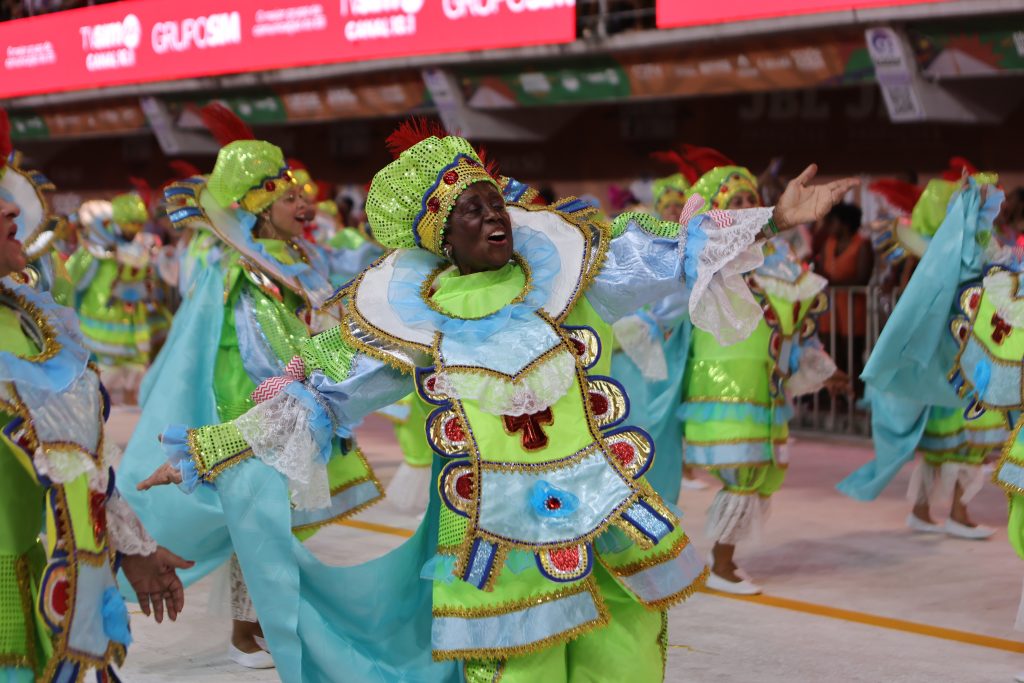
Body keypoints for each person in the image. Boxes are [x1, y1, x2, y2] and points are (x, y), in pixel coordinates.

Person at [137, 120, 857, 682]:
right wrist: (213, 449)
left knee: (628, 650)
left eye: (493, 201)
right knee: (521, 666)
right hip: (494, 543)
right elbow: (319, 396)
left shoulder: (558, 272)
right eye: (470, 211)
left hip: (600, 513)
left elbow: (669, 255)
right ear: (443, 241)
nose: (493, 217)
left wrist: (778, 217)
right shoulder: (410, 321)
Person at [117, 105, 383, 669]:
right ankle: (247, 630)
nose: (303, 204)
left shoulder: (300, 254)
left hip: (302, 395)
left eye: (300, 194)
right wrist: (303, 378)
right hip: (257, 398)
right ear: (258, 210)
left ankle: (271, 616)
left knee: (284, 519)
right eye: (287, 197)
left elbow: (333, 294)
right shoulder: (244, 269)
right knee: (258, 515)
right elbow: (254, 344)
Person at [0, 145, 190, 681]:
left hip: (24, 578)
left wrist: (132, 547)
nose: (15, 212)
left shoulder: (27, 319)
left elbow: (77, 461)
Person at [675, 150, 847, 594]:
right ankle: (721, 563)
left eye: (749, 200)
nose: (741, 211)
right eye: (732, 202)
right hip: (723, 382)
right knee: (744, 471)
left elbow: (793, 323)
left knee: (763, 475)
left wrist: (820, 368)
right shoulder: (701, 257)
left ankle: (720, 560)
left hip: (766, 385)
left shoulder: (777, 258)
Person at [839, 163, 1006, 539]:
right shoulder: (941, 253)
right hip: (954, 359)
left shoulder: (976, 245)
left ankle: (937, 511)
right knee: (959, 440)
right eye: (973, 200)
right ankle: (950, 512)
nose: (982, 205)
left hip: (965, 357)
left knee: (960, 440)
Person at [64, 190, 172, 404]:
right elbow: (71, 278)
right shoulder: (95, 249)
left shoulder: (146, 247)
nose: (133, 229)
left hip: (135, 325)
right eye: (128, 223)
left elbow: (157, 280)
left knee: (136, 382)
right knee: (103, 389)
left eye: (137, 224)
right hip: (101, 326)